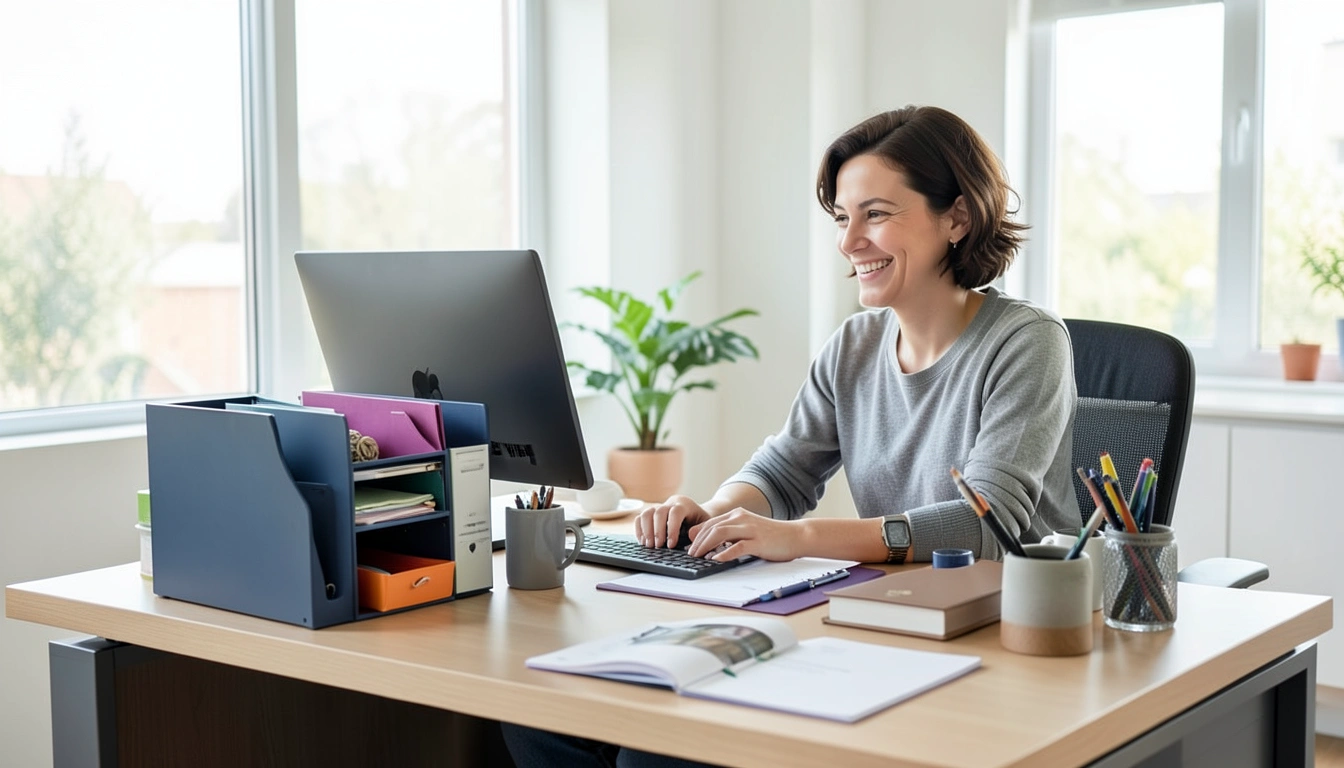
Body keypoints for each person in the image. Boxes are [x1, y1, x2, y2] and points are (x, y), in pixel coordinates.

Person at [501, 104, 1080, 768]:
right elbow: (781, 472)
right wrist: (716, 513)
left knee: (657, 756)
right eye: (842, 217)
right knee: (536, 716)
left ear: (957, 217)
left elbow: (986, 523)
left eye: (877, 214)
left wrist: (796, 538)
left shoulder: (1027, 342)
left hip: (1001, 640)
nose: (848, 241)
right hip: (890, 619)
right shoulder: (857, 344)